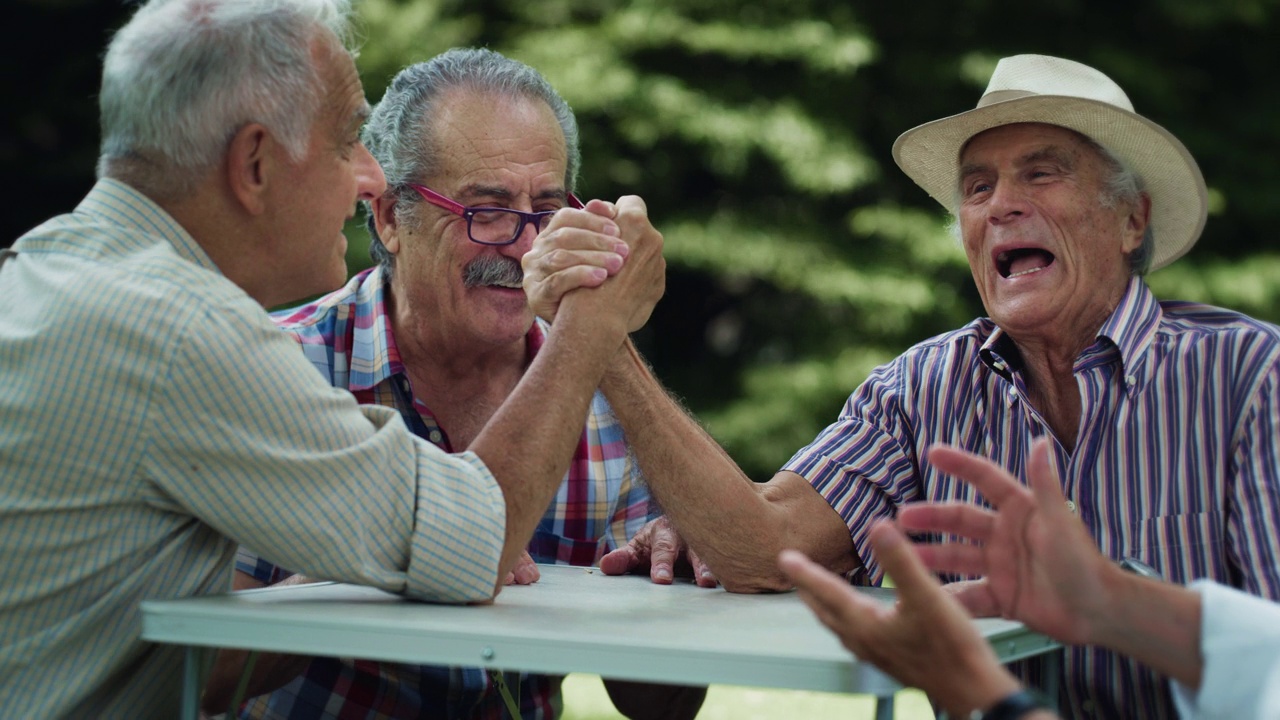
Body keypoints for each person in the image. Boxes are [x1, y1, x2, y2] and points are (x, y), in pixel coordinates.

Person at [524, 53, 1280, 717]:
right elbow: (765, 547)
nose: (1000, 204)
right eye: (976, 188)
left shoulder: (1250, 379)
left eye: (1041, 173)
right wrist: (601, 336)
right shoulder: (923, 388)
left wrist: (1118, 597)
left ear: (1131, 219)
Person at [0, 2, 664, 717]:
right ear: (254, 163)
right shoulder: (187, 332)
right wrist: (589, 330)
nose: (370, 181)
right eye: (348, 142)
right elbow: (473, 538)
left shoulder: (40, 275)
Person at [202, 49, 704, 720]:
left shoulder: (609, 391)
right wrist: (369, 564)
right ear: (388, 218)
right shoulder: (273, 368)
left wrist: (669, 588)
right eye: (485, 211)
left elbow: (661, 705)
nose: (525, 248)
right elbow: (199, 673)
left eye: (547, 210)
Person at [777, 437, 1280, 720]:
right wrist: (1106, 601)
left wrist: (973, 685)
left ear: (1130, 240)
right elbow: (1263, 660)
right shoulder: (916, 381)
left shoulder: (1254, 368)